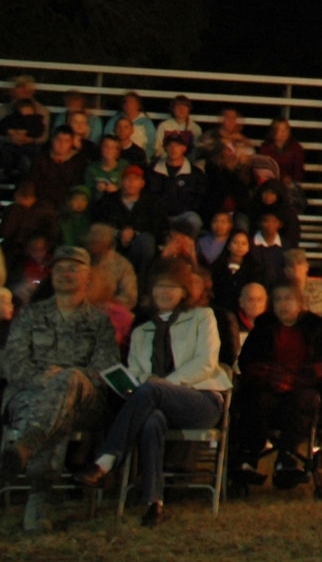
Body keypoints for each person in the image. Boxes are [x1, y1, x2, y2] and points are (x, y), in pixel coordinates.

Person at [74, 259, 231, 526]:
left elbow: (206, 362)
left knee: (151, 392)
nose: (165, 292)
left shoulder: (202, 317)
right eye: (160, 286)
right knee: (151, 421)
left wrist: (164, 383)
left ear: (184, 291)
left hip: (200, 399)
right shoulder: (141, 331)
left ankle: (107, 459)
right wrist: (146, 384)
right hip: (154, 402)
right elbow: (137, 372)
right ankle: (154, 503)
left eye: (172, 286)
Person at [0, 246, 121, 534]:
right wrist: (44, 380)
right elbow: (13, 364)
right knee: (54, 408)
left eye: (73, 268)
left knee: (68, 381)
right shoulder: (30, 315)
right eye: (59, 268)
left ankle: (27, 456)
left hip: (84, 401)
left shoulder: (98, 322)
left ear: (88, 276)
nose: (65, 274)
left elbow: (106, 371)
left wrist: (68, 376)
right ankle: (38, 499)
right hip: (30, 394)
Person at [231, 282, 322, 489]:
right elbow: (248, 361)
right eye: (278, 299)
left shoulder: (314, 327)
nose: (283, 304)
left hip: (303, 383)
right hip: (269, 384)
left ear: (300, 304)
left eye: (288, 299)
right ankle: (248, 456)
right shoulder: (264, 327)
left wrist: (301, 375)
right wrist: (269, 374)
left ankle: (287, 457)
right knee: (255, 399)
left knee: (302, 400)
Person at [91, 164, 166, 271]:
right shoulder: (107, 201)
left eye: (135, 179)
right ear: (121, 182)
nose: (131, 182)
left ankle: (142, 282)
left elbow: (159, 229)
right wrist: (118, 233)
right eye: (128, 179)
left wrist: (134, 234)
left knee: (147, 241)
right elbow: (98, 224)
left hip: (141, 251)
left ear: (142, 183)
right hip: (114, 248)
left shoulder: (152, 203)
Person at [83, 223, 140, 311]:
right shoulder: (81, 260)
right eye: (92, 242)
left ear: (108, 244)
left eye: (98, 242)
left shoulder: (122, 265)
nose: (94, 246)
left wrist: (109, 305)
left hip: (110, 313)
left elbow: (130, 297)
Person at [27, 129, 87, 202]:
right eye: (58, 140)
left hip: (68, 202)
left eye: (66, 141)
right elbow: (33, 181)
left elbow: (79, 186)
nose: (61, 144)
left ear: (72, 143)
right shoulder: (41, 158)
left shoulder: (79, 161)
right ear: (52, 140)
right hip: (41, 201)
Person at [94, 91, 154, 156]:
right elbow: (107, 137)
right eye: (125, 102)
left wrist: (146, 157)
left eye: (131, 102)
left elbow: (151, 144)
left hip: (137, 156)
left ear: (138, 105)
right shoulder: (114, 120)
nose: (128, 104)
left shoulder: (146, 123)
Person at [259, 119, 307, 190]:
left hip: (290, 186)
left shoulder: (296, 148)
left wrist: (291, 179)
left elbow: (299, 170)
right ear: (273, 132)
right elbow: (264, 169)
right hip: (271, 186)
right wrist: (281, 178)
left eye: (286, 129)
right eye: (280, 130)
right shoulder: (266, 148)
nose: (283, 133)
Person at [152, 95, 201, 161]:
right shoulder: (164, 126)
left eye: (184, 107)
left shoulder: (195, 128)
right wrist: (170, 158)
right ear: (172, 109)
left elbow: (197, 149)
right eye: (178, 107)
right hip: (166, 161)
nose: (181, 109)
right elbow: (157, 147)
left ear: (189, 109)